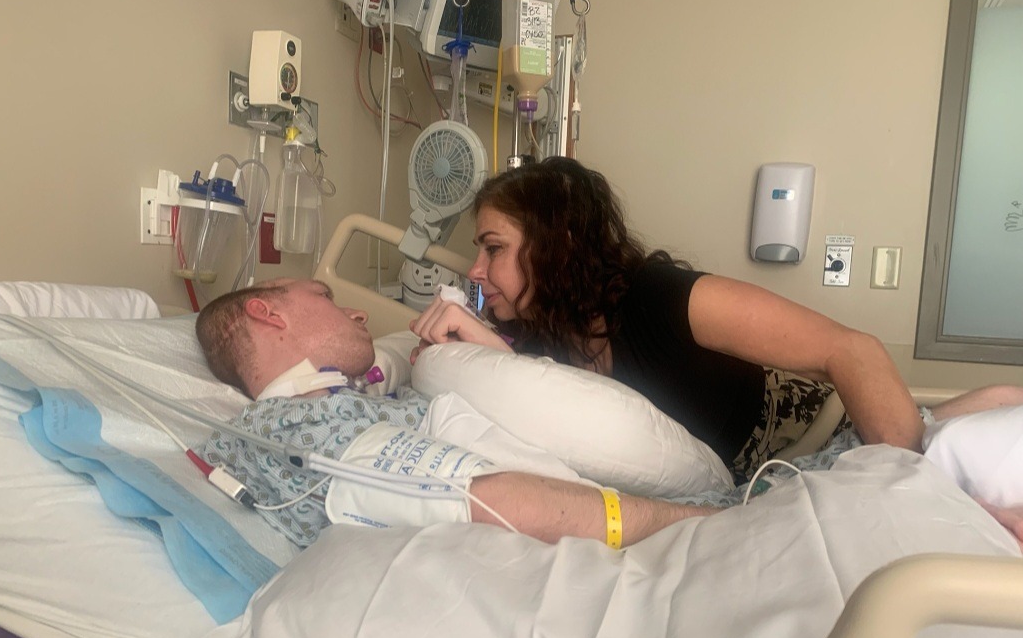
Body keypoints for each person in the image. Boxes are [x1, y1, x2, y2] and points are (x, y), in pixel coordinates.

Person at [409, 156, 1023, 482]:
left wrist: (908, 480)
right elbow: (548, 403)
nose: (477, 270)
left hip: (835, 437)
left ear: (558, 246)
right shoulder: (538, 332)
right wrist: (481, 344)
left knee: (976, 434)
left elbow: (853, 350)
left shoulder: (663, 298)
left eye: (492, 248)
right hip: (761, 479)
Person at [194, 277, 719, 550]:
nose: (357, 312)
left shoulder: (339, 407)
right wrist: (697, 522)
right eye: (326, 295)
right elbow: (490, 501)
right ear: (266, 312)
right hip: (641, 532)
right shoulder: (292, 429)